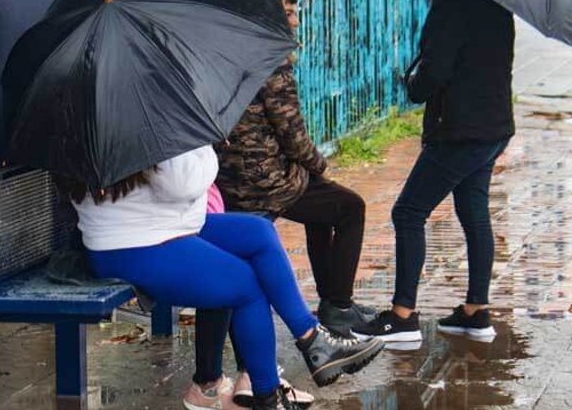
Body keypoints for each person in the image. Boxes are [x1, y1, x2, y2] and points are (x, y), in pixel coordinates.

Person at [57, 145, 384, 410]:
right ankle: (268, 395)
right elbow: (182, 183)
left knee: (258, 232)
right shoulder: (139, 122)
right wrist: (202, 145)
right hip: (132, 245)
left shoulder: (96, 118)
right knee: (245, 285)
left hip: (157, 228)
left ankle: (313, 340)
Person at [353, 0, 514, 343]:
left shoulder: (453, 4)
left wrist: (414, 84)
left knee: (408, 211)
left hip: (460, 131)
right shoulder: (497, 4)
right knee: (474, 212)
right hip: (493, 127)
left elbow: (436, 72)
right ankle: (476, 312)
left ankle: (402, 316)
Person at [216, 0, 375, 334]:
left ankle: (333, 300)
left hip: (230, 177)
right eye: (289, 13)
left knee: (321, 203)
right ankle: (339, 305)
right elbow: (293, 135)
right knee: (351, 207)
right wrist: (320, 165)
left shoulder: (231, 56)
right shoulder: (271, 63)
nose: (296, 22)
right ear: (271, 18)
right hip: (263, 182)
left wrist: (311, 171)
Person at [183, 184, 314, 410]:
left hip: (201, 213)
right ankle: (210, 383)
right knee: (235, 265)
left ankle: (249, 376)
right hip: (175, 226)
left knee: (246, 253)